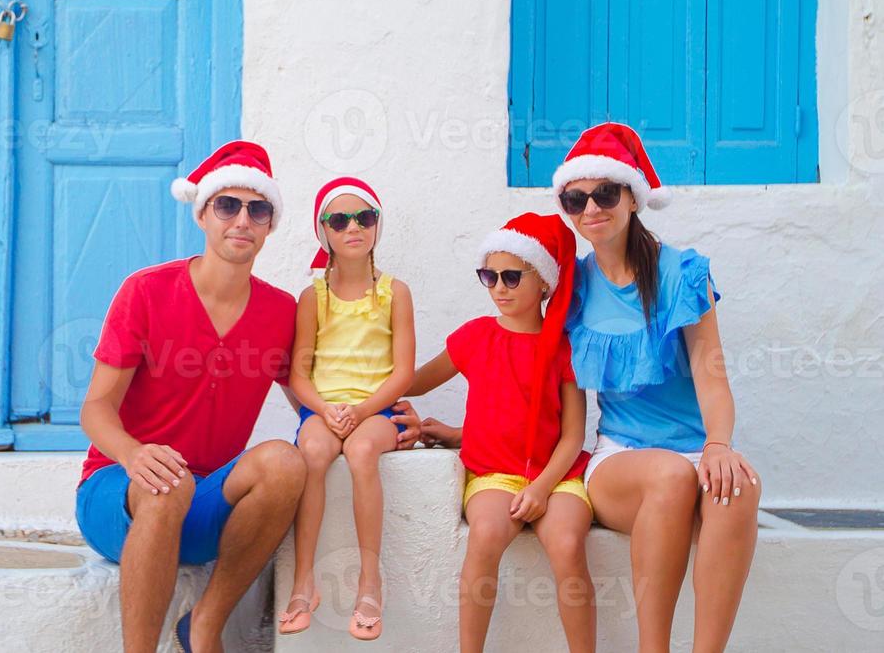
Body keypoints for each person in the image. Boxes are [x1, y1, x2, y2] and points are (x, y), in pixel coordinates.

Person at [77, 140, 305, 653]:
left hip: (203, 508)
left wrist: (380, 417)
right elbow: (95, 409)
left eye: (258, 208)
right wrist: (134, 454)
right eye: (228, 205)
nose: (242, 220)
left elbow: (309, 402)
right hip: (120, 497)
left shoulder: (281, 312)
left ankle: (204, 623)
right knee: (167, 484)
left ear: (269, 225)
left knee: (286, 463)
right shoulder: (146, 291)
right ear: (203, 213)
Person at [553, 122, 759, 653]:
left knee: (739, 490)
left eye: (605, 193)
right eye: (576, 199)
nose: (591, 208)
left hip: (694, 449)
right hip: (622, 457)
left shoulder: (681, 273)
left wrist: (717, 445)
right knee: (668, 475)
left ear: (632, 197)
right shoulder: (572, 287)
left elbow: (712, 374)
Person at [410, 213, 595, 652]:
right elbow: (414, 380)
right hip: (494, 473)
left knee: (567, 545)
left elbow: (572, 434)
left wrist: (543, 488)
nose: (499, 288)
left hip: (559, 476)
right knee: (487, 534)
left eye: (512, 277)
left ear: (544, 283)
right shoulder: (476, 337)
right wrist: (361, 396)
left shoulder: (563, 348)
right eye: (488, 276)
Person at [278, 177, 415, 641]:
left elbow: (402, 373)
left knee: (360, 454)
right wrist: (325, 409)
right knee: (312, 453)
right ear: (324, 232)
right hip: (322, 409)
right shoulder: (312, 298)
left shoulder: (395, 293)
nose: (353, 227)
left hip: (377, 411)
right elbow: (299, 374)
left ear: (377, 225)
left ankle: (369, 581)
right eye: (340, 220)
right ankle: (303, 581)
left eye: (365, 217)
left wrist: (361, 413)